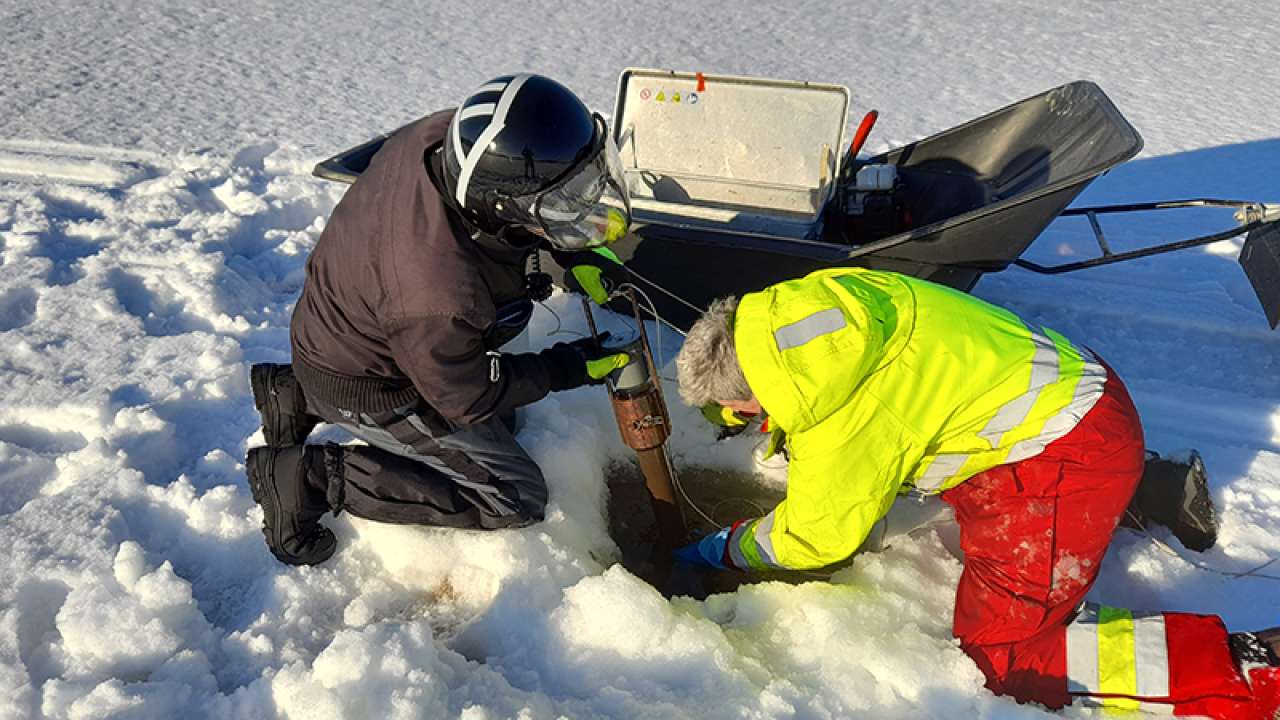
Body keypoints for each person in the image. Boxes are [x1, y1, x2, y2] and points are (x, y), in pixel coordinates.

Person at [673, 267, 1280, 717]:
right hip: (1070, 395)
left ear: (751, 389)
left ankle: (1241, 669)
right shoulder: (816, 306)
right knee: (953, 489)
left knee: (1005, 657)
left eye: (736, 411)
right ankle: (1151, 489)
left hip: (1063, 459)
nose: (740, 422)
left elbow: (816, 537)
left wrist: (726, 549)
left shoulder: (844, 417)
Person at [246, 74, 630, 566]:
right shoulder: (436, 293)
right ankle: (307, 479)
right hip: (376, 385)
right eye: (556, 204)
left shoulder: (447, 136)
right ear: (498, 207)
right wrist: (565, 368)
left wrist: (568, 249)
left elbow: (506, 215)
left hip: (340, 330)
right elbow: (466, 397)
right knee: (513, 495)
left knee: (504, 419)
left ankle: (294, 395)